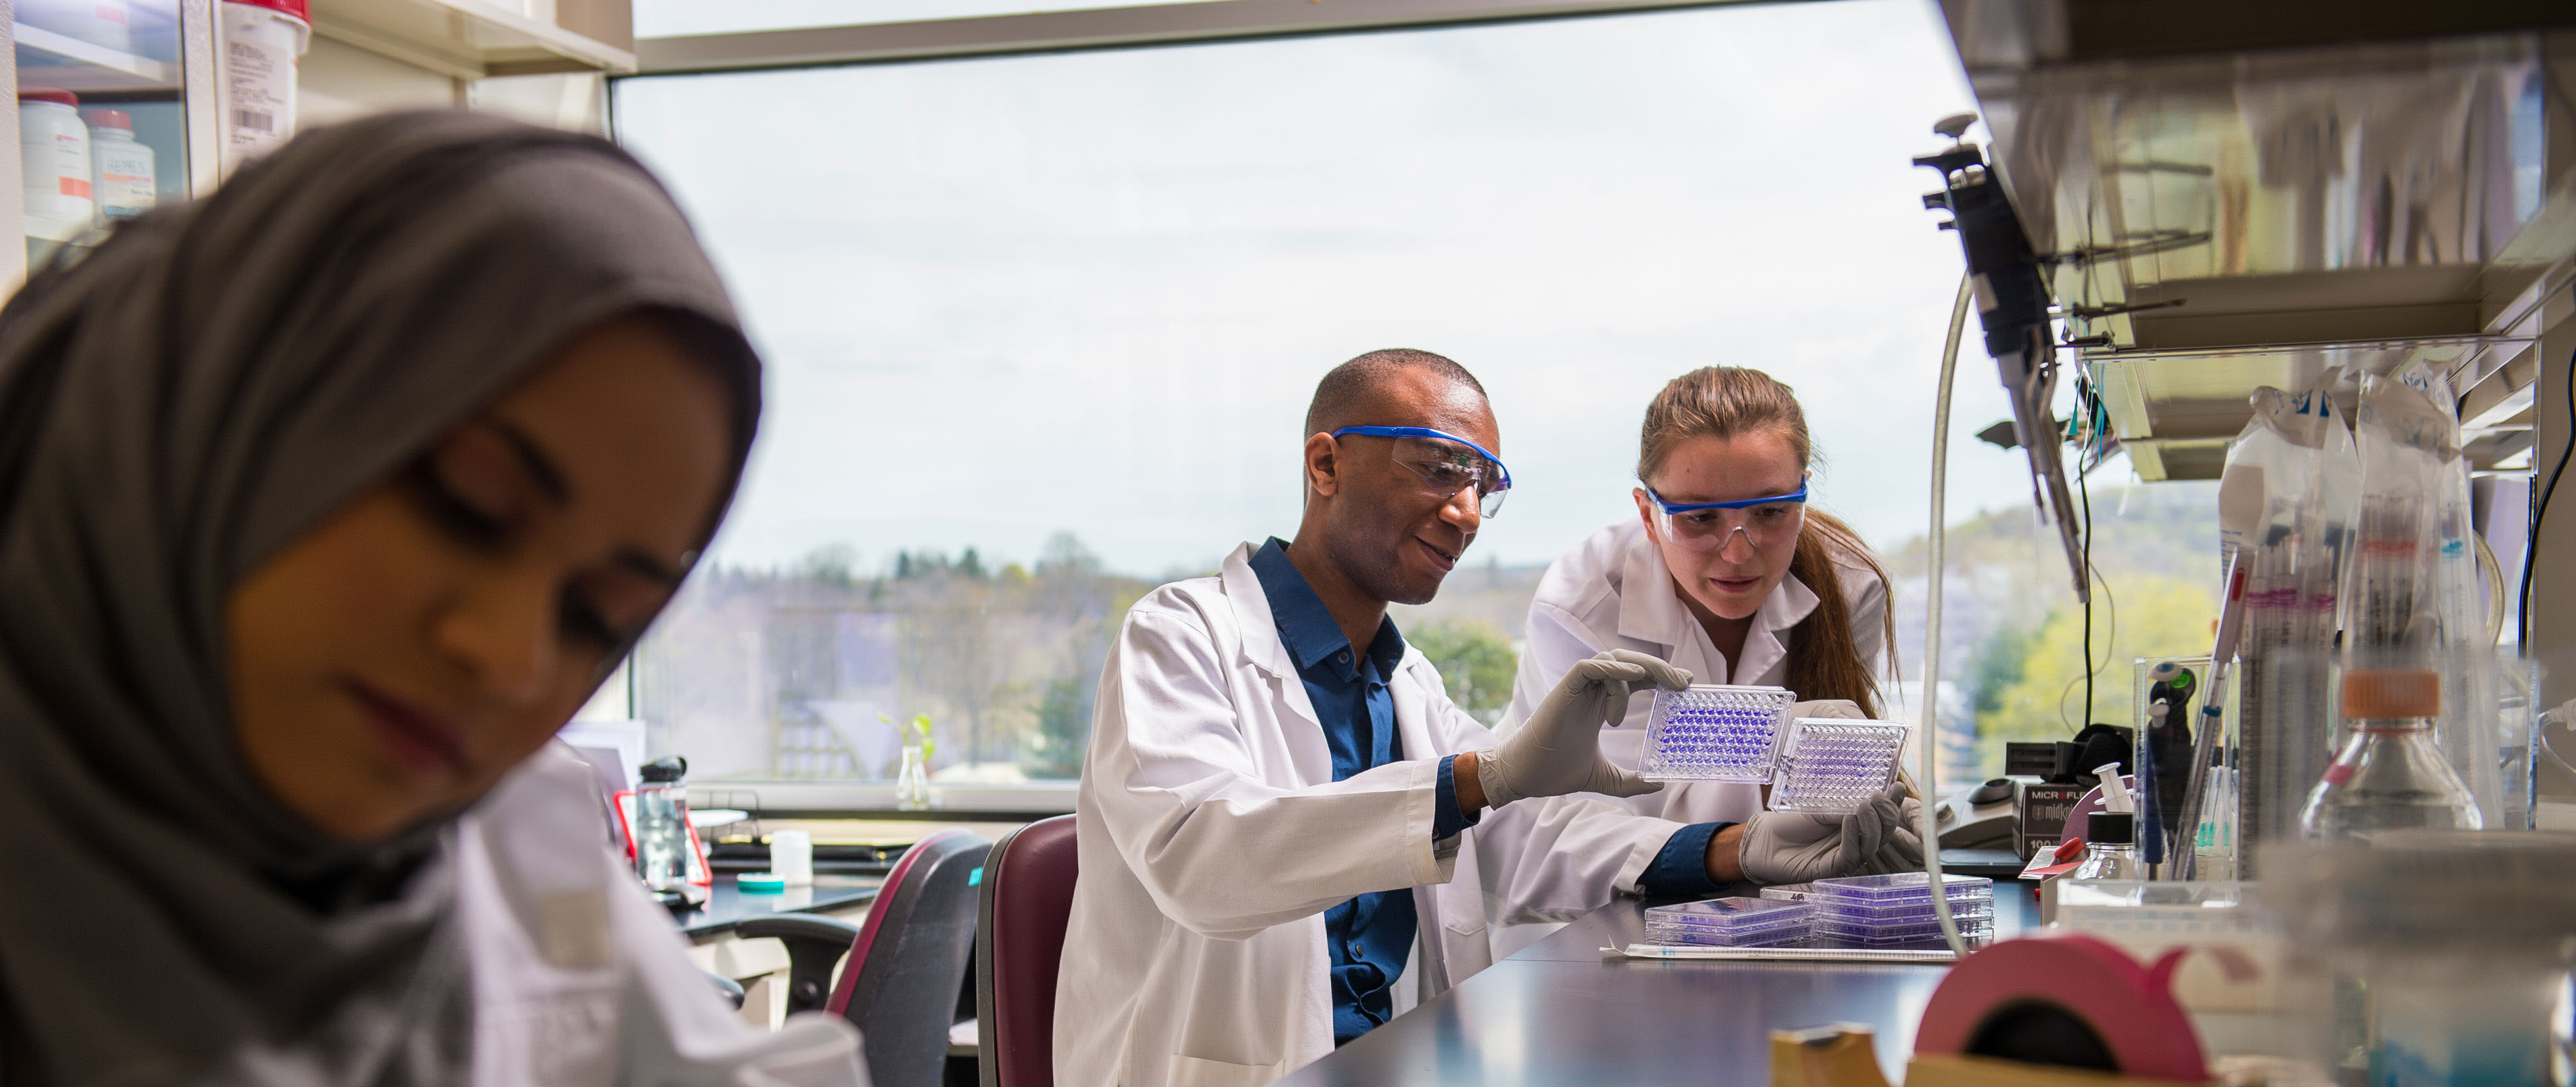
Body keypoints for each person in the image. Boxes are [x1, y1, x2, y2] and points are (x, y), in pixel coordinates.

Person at [0, 112, 866, 1086]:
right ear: (220, 411)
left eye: (596, 618)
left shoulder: (486, 855)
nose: (509, 657)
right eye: (466, 506)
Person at [1054, 350, 1917, 1087]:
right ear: (1325, 466)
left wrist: (1741, 850)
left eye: (1483, 484)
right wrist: (1478, 779)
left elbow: (1524, 840)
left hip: (1406, 1055)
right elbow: (1200, 859)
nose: (1466, 511)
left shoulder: (1410, 687)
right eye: (1438, 468)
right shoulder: (1178, 635)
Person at [1487, 364, 1919, 952]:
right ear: (1647, 513)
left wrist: (1871, 804)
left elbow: (1795, 809)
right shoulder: (1585, 605)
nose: (1738, 551)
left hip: (1772, 925)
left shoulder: (1850, 587)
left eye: (1770, 512)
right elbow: (1644, 803)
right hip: (1594, 920)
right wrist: (1794, 746)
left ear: (1802, 493)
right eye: (1698, 519)